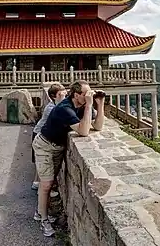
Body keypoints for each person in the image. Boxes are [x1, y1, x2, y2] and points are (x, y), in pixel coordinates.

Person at [32, 80, 104, 237]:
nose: (89, 96)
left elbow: (98, 127)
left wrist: (100, 103)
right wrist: (90, 105)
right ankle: (43, 219)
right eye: (86, 94)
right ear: (76, 95)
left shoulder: (81, 105)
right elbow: (84, 131)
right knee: (46, 184)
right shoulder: (65, 108)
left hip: (57, 147)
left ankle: (40, 212)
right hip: (44, 145)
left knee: (49, 184)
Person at [30, 83, 65, 197]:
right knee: (43, 162)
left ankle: (36, 182)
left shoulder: (54, 104)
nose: (65, 93)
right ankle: (43, 188)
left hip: (39, 132)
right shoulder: (51, 108)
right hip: (39, 134)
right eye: (61, 92)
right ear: (54, 96)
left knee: (40, 162)